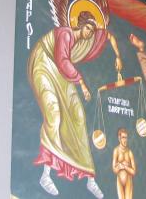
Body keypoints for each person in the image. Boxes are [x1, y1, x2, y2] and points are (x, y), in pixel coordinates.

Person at [28, 12, 122, 198]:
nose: (90, 33)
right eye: (88, 28)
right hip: (44, 64)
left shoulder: (85, 41)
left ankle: (90, 179)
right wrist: (82, 83)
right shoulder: (65, 34)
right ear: (80, 25)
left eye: (92, 30)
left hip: (61, 72)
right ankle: (46, 175)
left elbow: (108, 35)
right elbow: (62, 60)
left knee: (78, 116)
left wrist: (118, 55)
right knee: (54, 113)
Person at [112, 128, 136, 199]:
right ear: (119, 138)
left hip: (128, 181)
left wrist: (125, 167)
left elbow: (134, 172)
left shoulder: (129, 152)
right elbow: (114, 170)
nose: (125, 140)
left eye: (126, 137)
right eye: (123, 137)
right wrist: (121, 166)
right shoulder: (116, 151)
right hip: (119, 181)